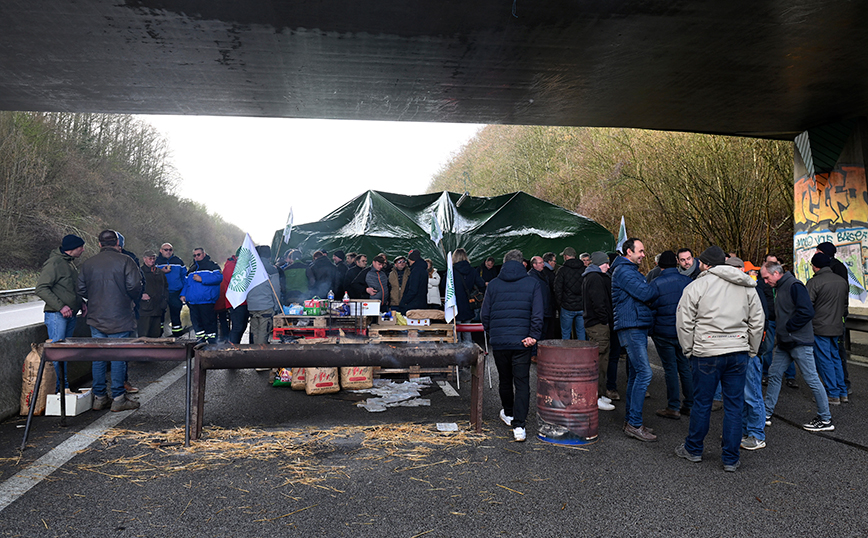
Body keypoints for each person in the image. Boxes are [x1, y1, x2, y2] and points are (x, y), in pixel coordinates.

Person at [674, 246, 763, 472]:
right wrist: (751, 349)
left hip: (706, 352)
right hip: (738, 351)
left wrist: (689, 350)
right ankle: (731, 458)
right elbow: (757, 321)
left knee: (702, 403)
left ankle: (693, 449)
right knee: (734, 405)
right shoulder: (747, 285)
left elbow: (684, 322)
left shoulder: (696, 286)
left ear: (705, 264)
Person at [760, 261, 834, 432]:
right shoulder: (780, 286)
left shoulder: (794, 286)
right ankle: (766, 412)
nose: (765, 281)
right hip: (786, 342)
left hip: (798, 341)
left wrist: (789, 327)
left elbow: (807, 311)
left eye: (766, 277)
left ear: (776, 273)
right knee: (774, 374)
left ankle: (825, 419)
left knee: (811, 378)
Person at [481, 249, 543, 442]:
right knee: (522, 382)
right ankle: (519, 426)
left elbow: (484, 315)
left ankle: (508, 413)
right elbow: (538, 312)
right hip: (522, 341)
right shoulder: (533, 283)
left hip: (500, 342)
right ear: (523, 264)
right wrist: (533, 335)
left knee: (505, 380)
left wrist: (495, 332)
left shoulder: (493, 285)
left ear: (504, 263)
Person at [77, 230, 142, 412]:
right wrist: (127, 298)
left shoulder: (88, 264)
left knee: (98, 357)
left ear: (99, 244)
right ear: (117, 243)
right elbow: (135, 286)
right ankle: (119, 398)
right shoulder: (126, 261)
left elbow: (80, 289)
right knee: (118, 357)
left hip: (96, 316)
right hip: (120, 315)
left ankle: (99, 397)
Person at [611, 238, 659, 442]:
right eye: (640, 251)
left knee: (635, 376)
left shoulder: (628, 271)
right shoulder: (624, 271)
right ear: (628, 251)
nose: (643, 254)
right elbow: (645, 292)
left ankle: (632, 420)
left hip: (635, 325)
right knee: (645, 374)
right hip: (631, 327)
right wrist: (658, 286)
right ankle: (634, 424)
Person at [35, 234, 86, 393]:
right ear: (73, 248)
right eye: (81, 247)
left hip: (69, 314)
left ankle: (64, 388)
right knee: (58, 352)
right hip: (57, 315)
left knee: (65, 352)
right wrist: (60, 306)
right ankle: (60, 390)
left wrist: (81, 303)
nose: (83, 250)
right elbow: (41, 288)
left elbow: (69, 289)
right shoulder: (54, 263)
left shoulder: (70, 264)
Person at [650, 250, 694, 420]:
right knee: (685, 367)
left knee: (670, 369)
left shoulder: (656, 283)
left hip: (663, 333)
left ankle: (673, 406)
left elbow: (651, 306)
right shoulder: (688, 282)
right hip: (683, 332)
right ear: (677, 262)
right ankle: (689, 404)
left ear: (660, 265)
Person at [806, 252, 849, 404]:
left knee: (824, 360)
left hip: (820, 327)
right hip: (837, 325)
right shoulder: (841, 281)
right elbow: (844, 305)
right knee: (836, 357)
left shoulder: (814, 282)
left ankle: (832, 393)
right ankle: (843, 391)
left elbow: (807, 306)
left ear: (815, 266)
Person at [581, 251, 616, 411]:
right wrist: (605, 320)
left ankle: (600, 394)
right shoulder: (595, 278)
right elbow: (599, 303)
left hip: (595, 323)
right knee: (599, 361)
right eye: (605, 263)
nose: (608, 267)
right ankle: (595, 396)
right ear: (598, 263)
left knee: (601, 359)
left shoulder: (591, 276)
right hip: (598, 324)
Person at [181, 247, 223, 343]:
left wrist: (202, 279)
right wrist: (183, 294)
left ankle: (212, 344)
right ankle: (201, 343)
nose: (196, 257)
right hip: (192, 302)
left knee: (209, 324)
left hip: (207, 301)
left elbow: (219, 278)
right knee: (197, 325)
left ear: (204, 254)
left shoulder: (213, 266)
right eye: (194, 255)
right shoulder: (192, 269)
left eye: (198, 254)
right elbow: (186, 283)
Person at [246, 245, 281, 344]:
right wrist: (277, 307)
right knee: (263, 333)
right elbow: (276, 290)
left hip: (252, 306)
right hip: (266, 306)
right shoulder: (271, 269)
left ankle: (252, 354)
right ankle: (260, 356)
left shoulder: (249, 269)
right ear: (269, 257)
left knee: (254, 333)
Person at [553, 246, 586, 340]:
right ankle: (582, 353)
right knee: (581, 332)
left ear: (566, 256)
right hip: (581, 306)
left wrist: (561, 304)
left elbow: (557, 289)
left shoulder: (562, 270)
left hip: (567, 307)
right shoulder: (584, 269)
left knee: (566, 333)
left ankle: (566, 354)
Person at [155, 243, 187, 336]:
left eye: (170, 250)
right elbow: (149, 276)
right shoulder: (156, 261)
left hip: (175, 292)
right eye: (166, 249)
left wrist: (183, 293)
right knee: (159, 315)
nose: (168, 252)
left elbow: (185, 278)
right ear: (161, 250)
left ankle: (177, 336)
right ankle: (158, 336)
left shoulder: (178, 261)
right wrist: (161, 271)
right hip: (160, 293)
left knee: (176, 315)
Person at [452, 248, 486, 332]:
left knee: (456, 331)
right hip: (469, 303)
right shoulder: (472, 270)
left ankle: (458, 345)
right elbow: (481, 284)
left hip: (455, 305)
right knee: (468, 330)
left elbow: (442, 285)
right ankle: (469, 344)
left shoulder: (452, 271)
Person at [138, 250, 168, 338]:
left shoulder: (160, 272)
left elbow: (165, 287)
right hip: (144, 309)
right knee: (144, 335)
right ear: (144, 259)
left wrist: (165, 301)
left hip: (158, 308)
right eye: (150, 258)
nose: (152, 260)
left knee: (156, 335)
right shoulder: (139, 272)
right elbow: (133, 287)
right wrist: (140, 295)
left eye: (153, 258)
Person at [398, 249, 429, 314]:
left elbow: (413, 289)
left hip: (413, 305)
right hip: (422, 302)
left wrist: (405, 301)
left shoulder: (415, 271)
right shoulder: (424, 270)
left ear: (411, 259)